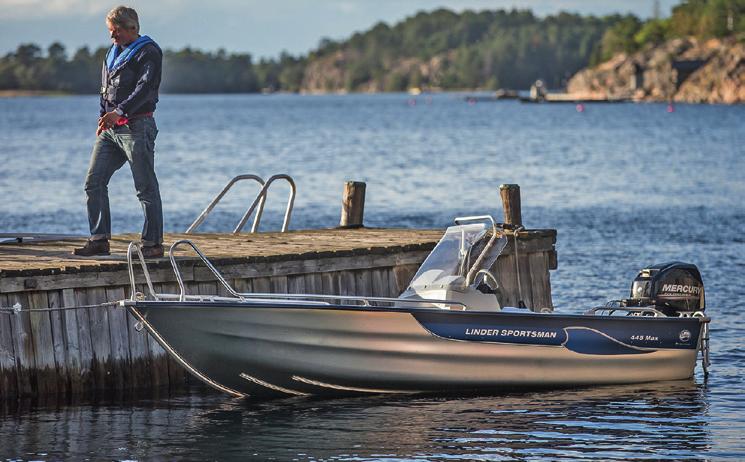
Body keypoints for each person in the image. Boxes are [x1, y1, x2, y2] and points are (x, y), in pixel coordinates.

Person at [73, 6, 164, 258]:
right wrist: (103, 117)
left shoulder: (149, 52)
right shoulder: (112, 52)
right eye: (110, 32)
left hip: (137, 127)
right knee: (94, 182)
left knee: (145, 187)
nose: (113, 37)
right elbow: (105, 89)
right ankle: (99, 239)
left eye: (116, 32)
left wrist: (120, 111)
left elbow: (145, 89)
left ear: (133, 28)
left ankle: (153, 244)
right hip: (111, 130)